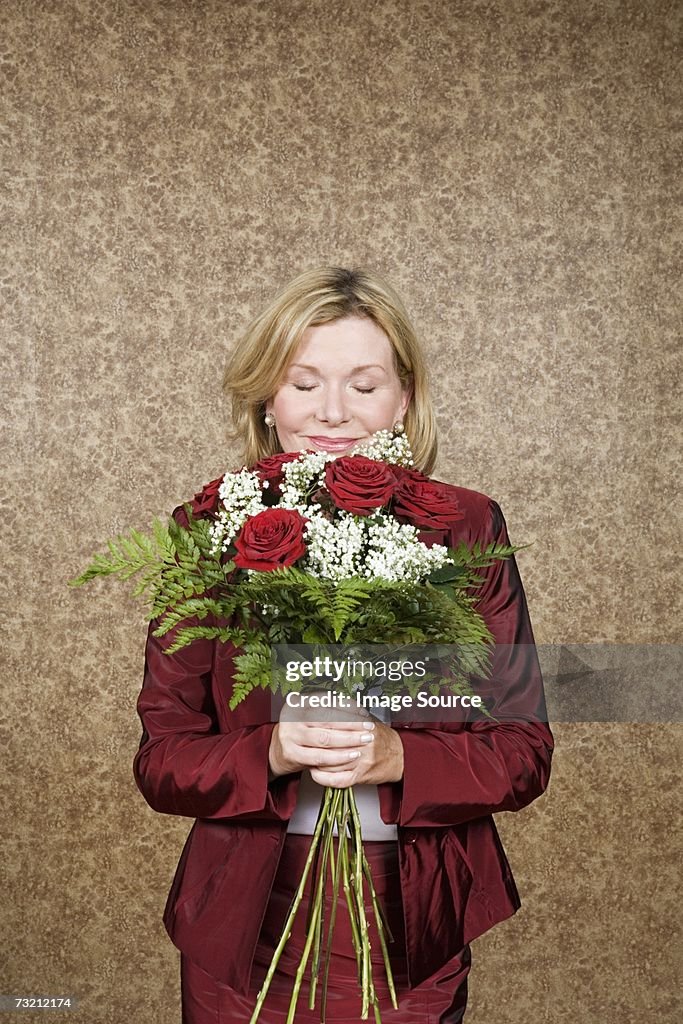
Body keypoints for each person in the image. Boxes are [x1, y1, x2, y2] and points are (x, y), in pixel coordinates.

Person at [133, 265, 554, 1023]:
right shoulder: (207, 527)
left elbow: (522, 750)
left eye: (363, 386)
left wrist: (401, 758)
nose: (332, 412)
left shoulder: (466, 527)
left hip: (411, 916)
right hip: (245, 921)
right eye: (303, 383)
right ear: (266, 394)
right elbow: (162, 762)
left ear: (404, 397)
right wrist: (272, 749)